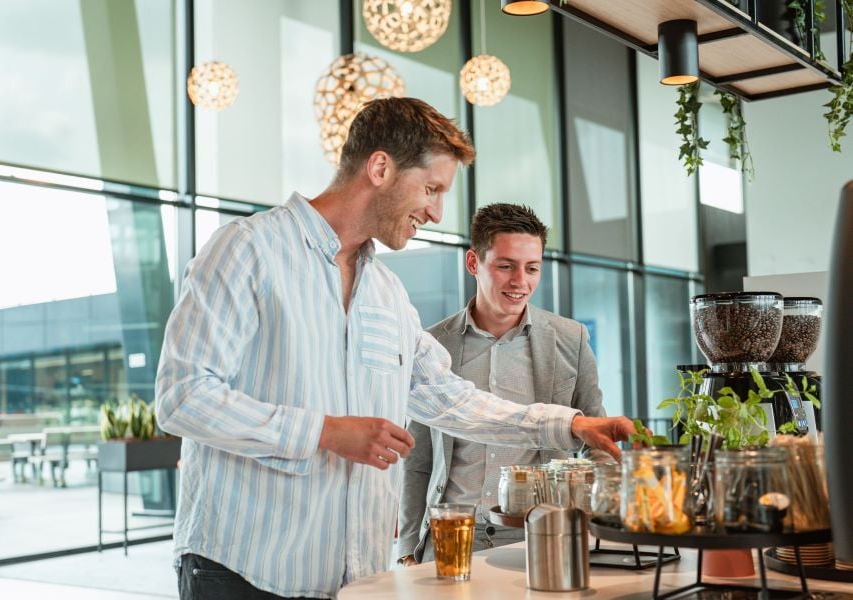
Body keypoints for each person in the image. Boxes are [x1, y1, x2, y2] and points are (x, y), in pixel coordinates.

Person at [155, 97, 634, 600]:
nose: (435, 210)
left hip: (353, 581)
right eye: (431, 188)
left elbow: (452, 399)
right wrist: (323, 432)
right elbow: (183, 397)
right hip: (241, 571)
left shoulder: (386, 293)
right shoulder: (246, 249)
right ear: (380, 167)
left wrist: (570, 424)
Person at [397, 203, 611, 566]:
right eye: (506, 266)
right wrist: (406, 548)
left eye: (532, 268)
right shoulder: (433, 344)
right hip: (451, 533)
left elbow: (597, 442)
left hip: (537, 534)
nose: (520, 282)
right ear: (473, 264)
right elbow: (419, 461)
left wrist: (600, 519)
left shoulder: (569, 339)